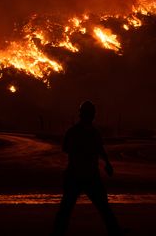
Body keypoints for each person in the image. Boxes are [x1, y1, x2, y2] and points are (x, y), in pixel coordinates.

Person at [52, 101, 122, 236]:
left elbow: (66, 148)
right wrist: (106, 163)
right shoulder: (89, 132)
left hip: (79, 174)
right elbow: (99, 149)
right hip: (85, 174)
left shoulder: (75, 131)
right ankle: (115, 231)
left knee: (67, 208)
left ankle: (58, 232)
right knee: (102, 206)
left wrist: (107, 162)